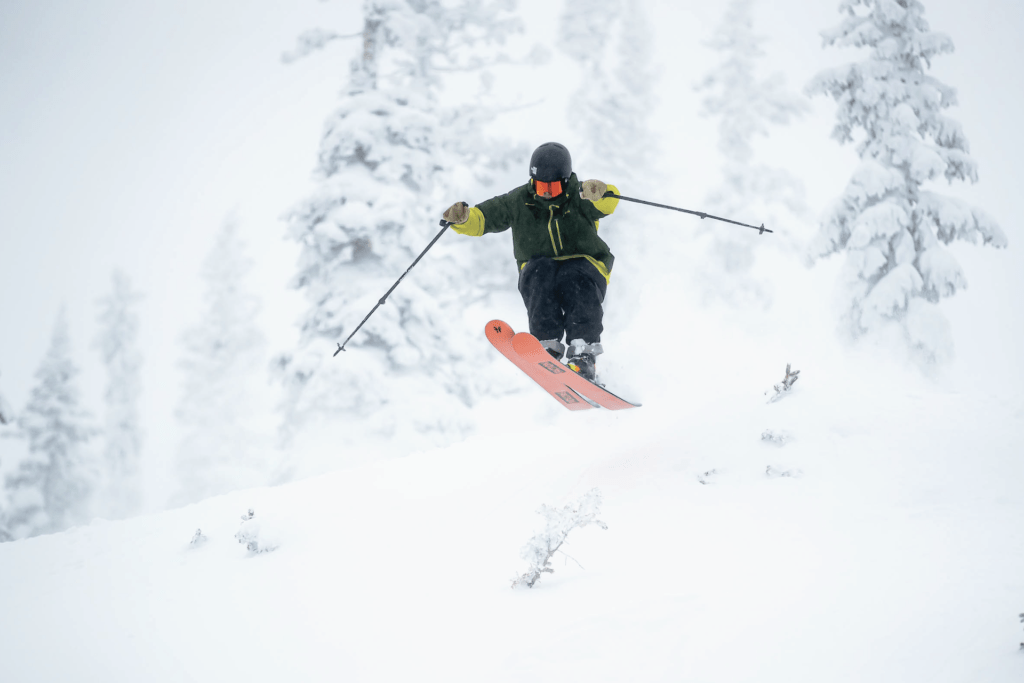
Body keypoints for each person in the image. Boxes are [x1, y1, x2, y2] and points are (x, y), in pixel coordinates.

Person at [442, 142, 619, 382]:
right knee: (538, 273)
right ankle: (546, 345)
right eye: (541, 186)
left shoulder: (580, 196)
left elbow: (607, 202)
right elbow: (484, 218)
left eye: (552, 187)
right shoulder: (519, 201)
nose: (546, 192)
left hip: (585, 264)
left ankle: (583, 354)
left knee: (574, 276)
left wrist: (600, 192)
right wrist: (463, 218)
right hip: (541, 267)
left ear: (566, 181)